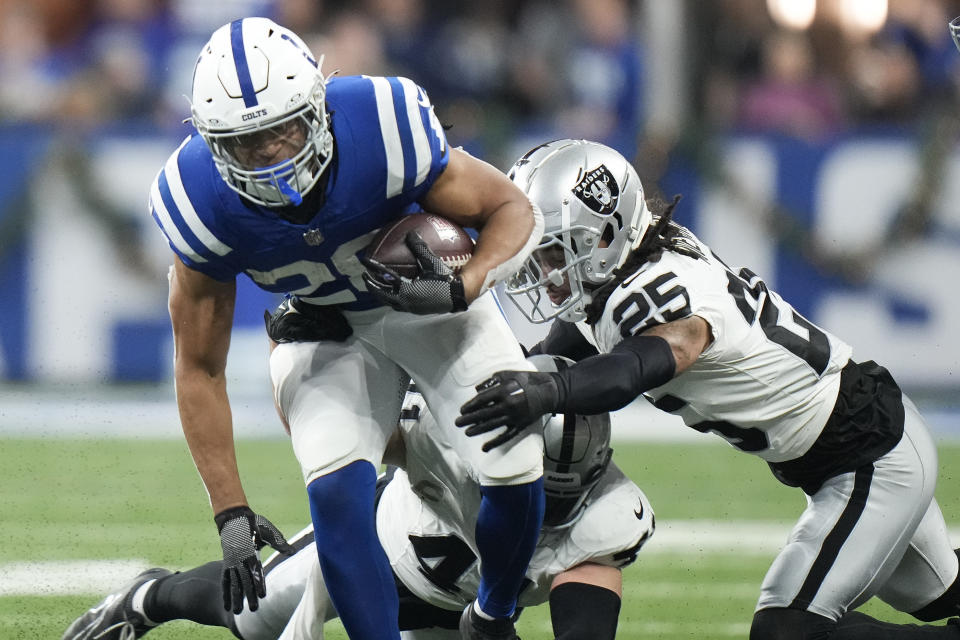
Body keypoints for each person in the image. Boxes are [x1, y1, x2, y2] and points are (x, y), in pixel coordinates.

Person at [457, 138, 960, 639]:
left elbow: (632, 369)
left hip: (870, 457)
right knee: (941, 595)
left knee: (786, 631)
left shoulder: (656, 292)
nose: (540, 272)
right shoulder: (628, 267)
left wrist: (547, 392)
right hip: (860, 436)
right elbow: (567, 349)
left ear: (603, 237)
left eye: (550, 251)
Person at [149, 17, 546, 640]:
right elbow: (199, 366)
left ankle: (492, 619)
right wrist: (229, 508)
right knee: (336, 499)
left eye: (283, 129)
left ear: (318, 104)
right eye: (249, 143)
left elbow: (511, 207)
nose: (273, 154)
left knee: (515, 460)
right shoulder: (197, 197)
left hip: (427, 305)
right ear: (213, 143)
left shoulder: (382, 123)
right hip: (322, 328)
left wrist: (462, 285)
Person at [61, 358, 654, 640]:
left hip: (456, 616)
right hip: (380, 544)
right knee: (249, 619)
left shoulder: (606, 520)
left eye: (557, 495)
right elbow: (330, 433)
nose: (539, 506)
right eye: (528, 482)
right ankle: (145, 599)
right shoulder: (443, 435)